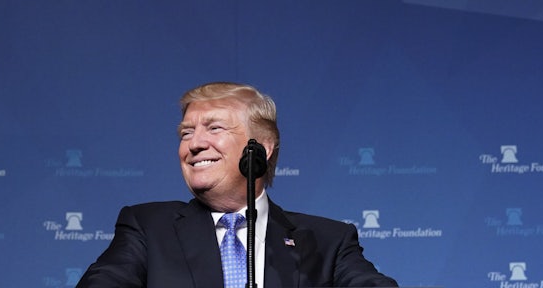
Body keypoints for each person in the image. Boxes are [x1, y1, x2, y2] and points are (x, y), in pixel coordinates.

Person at [75, 82, 399, 288]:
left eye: (214, 128)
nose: (194, 143)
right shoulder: (147, 228)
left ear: (262, 147)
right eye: (186, 133)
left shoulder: (327, 242)